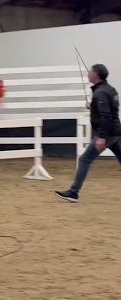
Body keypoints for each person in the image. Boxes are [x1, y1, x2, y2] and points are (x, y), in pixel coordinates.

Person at [55, 63, 121, 203]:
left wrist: (102, 137)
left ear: (96, 74)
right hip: (116, 132)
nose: (88, 74)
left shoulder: (100, 93)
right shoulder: (110, 90)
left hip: (107, 134)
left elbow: (106, 116)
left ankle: (73, 192)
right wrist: (93, 107)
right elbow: (111, 110)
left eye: (90, 72)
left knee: (84, 160)